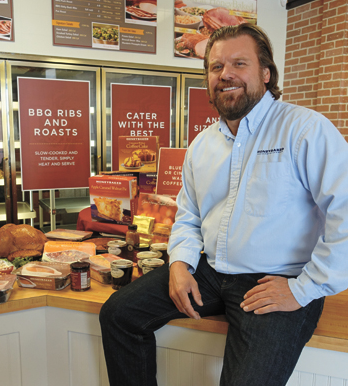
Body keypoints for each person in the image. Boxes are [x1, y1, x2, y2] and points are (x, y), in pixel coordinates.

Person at [99, 23, 348, 386]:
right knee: (119, 316)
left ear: (265, 73)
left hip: (277, 280)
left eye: (239, 64)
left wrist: (303, 289)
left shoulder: (304, 129)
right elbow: (189, 215)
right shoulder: (202, 144)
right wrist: (181, 265)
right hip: (210, 272)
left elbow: (344, 212)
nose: (225, 74)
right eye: (216, 67)